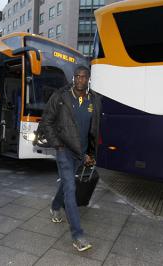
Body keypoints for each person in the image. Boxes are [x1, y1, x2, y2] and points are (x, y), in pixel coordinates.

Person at [41, 65, 101, 252]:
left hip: (81, 152)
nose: (80, 80)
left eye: (84, 77)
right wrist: (57, 143)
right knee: (71, 188)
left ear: (88, 78)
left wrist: (90, 152)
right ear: (74, 78)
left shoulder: (95, 100)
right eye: (77, 76)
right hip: (64, 150)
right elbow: (46, 120)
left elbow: (94, 128)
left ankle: (54, 206)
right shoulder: (61, 97)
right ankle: (78, 236)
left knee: (66, 185)